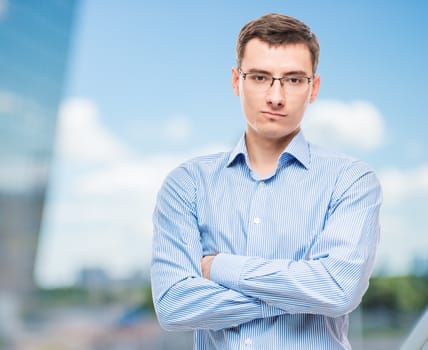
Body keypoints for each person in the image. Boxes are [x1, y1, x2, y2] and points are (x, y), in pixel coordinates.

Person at [150, 13, 382, 349]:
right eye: (260, 77)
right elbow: (174, 305)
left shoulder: (351, 180)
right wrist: (303, 294)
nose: (276, 96)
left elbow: (337, 291)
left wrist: (219, 267)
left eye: (293, 79)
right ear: (236, 81)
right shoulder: (188, 183)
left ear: (313, 88)